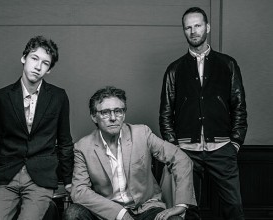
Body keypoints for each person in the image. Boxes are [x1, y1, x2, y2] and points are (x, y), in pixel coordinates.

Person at [159, 7, 248, 220]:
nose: (193, 31)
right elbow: (165, 113)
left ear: (207, 27)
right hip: (186, 151)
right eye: (188, 27)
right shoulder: (175, 69)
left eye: (197, 25)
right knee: (188, 210)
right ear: (184, 31)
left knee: (234, 207)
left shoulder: (228, 64)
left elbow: (239, 106)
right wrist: (175, 149)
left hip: (222, 147)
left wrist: (235, 142)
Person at [63, 86, 196, 220]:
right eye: (105, 112)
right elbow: (79, 191)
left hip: (146, 208)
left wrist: (181, 204)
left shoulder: (142, 133)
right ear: (93, 116)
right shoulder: (83, 147)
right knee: (73, 214)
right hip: (107, 213)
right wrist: (120, 214)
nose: (113, 118)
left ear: (124, 114)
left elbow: (180, 159)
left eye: (118, 111)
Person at [0, 35, 74, 220]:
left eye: (45, 63)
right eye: (34, 58)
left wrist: (68, 181)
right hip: (7, 174)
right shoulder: (2, 97)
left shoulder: (58, 97)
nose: (38, 66)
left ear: (49, 69)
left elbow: (65, 141)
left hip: (40, 177)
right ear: (23, 58)